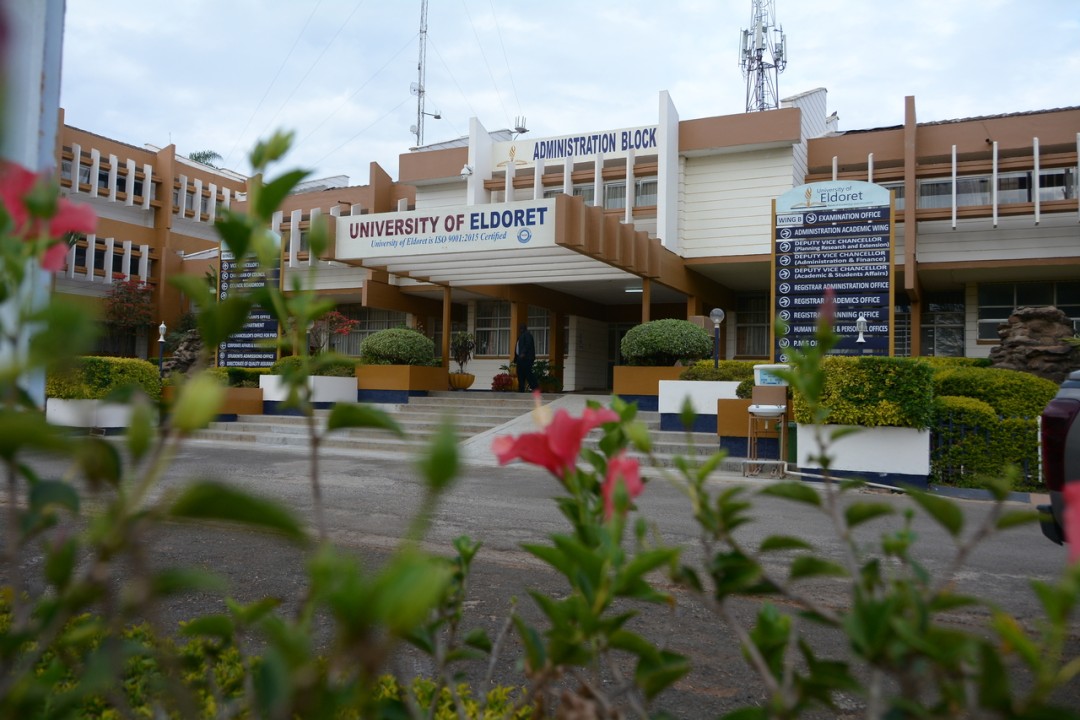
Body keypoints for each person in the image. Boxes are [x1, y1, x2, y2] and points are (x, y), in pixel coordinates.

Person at [513, 324, 538, 393]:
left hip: (526, 358)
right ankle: (521, 389)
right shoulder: (521, 336)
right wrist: (516, 358)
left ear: (525, 328)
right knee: (520, 374)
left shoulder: (527, 335)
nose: (520, 329)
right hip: (520, 359)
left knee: (527, 373)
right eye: (520, 328)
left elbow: (528, 344)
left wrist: (523, 353)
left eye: (522, 328)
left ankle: (535, 388)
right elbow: (518, 348)